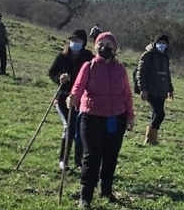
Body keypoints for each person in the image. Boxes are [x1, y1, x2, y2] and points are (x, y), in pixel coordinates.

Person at [67, 32, 134, 209]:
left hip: (115, 119)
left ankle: (106, 190)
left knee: (111, 156)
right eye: (101, 43)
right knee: (92, 157)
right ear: (95, 46)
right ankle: (85, 196)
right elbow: (78, 86)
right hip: (91, 117)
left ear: (115, 49)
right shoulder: (89, 67)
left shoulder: (120, 70)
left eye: (109, 45)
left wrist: (130, 116)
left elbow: (126, 94)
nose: (105, 47)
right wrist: (73, 97)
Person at [48, 29, 94, 171]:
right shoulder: (62, 56)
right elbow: (52, 73)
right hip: (63, 98)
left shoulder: (88, 57)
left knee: (80, 129)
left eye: (78, 41)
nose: (74, 43)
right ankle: (63, 161)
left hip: (80, 99)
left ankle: (78, 161)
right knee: (68, 126)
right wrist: (59, 78)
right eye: (72, 40)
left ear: (84, 43)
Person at [135, 34, 173, 145]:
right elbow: (140, 73)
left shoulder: (165, 57)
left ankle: (152, 140)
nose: (162, 45)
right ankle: (149, 139)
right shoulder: (148, 55)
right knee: (159, 114)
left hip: (161, 91)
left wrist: (170, 89)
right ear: (154, 43)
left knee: (156, 113)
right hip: (151, 90)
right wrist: (143, 89)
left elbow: (167, 75)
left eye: (164, 43)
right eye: (160, 42)